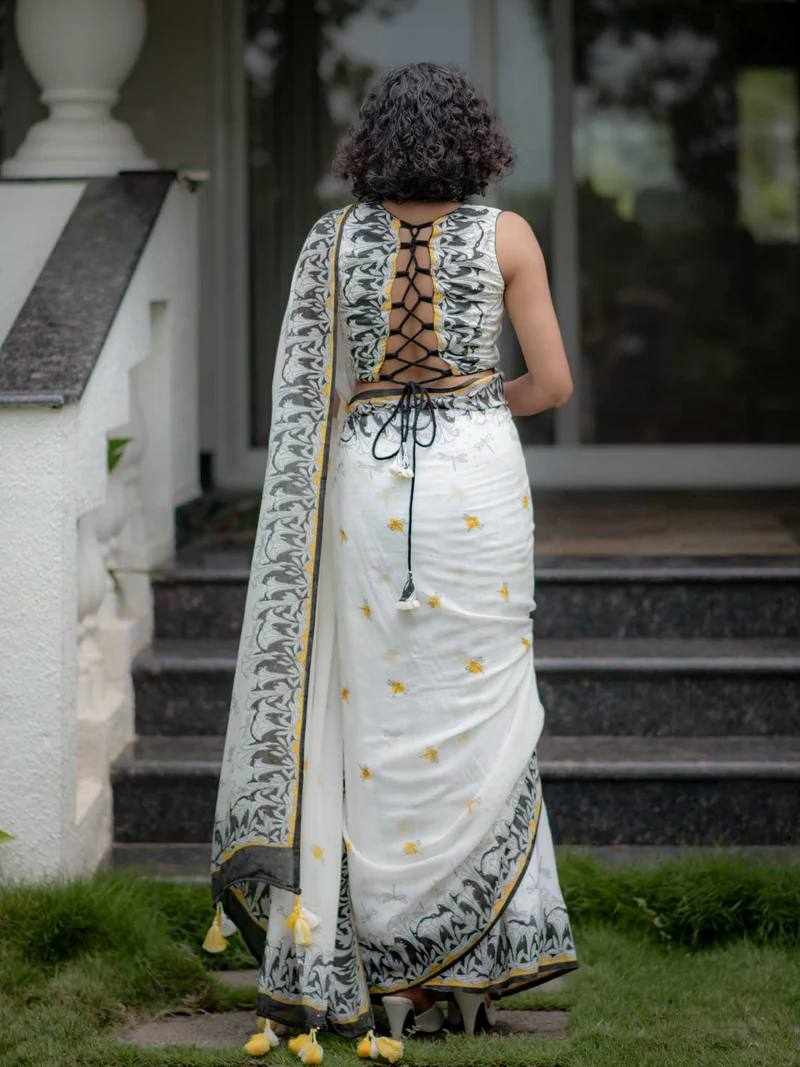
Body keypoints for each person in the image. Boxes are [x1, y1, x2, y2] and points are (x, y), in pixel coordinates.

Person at [206, 61, 579, 1061]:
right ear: (473, 142)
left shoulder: (330, 242)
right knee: (477, 710)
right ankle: (464, 972)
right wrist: (475, 398)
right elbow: (551, 384)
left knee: (371, 713)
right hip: (475, 483)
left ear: (371, 143)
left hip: (366, 489)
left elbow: (310, 401)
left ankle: (380, 967)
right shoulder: (508, 236)